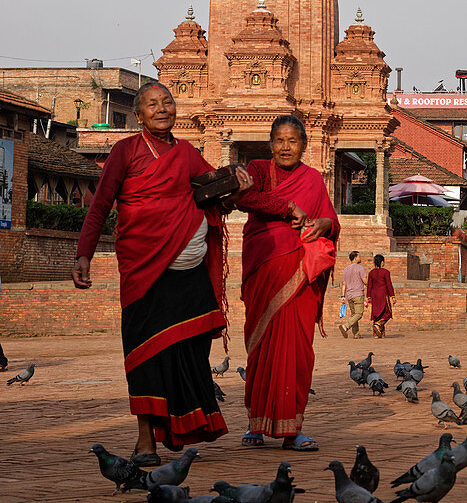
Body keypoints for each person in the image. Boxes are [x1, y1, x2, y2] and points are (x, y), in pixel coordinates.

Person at [72, 82, 251, 465]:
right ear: (139, 115)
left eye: (167, 101)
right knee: (145, 355)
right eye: (152, 104)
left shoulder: (186, 152)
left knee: (191, 351)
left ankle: (184, 425)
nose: (162, 108)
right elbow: (101, 203)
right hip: (144, 269)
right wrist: (84, 253)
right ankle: (145, 441)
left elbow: (215, 196)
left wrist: (237, 189)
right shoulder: (126, 151)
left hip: (190, 273)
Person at [236, 115, 339, 451]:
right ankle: (256, 422)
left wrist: (324, 223)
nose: (285, 147)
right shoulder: (259, 169)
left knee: (297, 350)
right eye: (279, 140)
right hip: (263, 266)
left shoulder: (313, 179)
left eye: (292, 141)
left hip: (299, 273)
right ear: (270, 144)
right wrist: (285, 207)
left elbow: (329, 218)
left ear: (304, 145)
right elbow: (244, 197)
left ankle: (292, 427)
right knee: (261, 344)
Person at [366, 254, 397, 337]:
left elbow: (369, 285)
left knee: (377, 314)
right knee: (387, 313)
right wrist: (392, 296)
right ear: (382, 262)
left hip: (374, 295)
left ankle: (377, 334)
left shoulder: (371, 273)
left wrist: (368, 297)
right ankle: (378, 325)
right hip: (383, 294)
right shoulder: (385, 272)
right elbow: (388, 284)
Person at [339, 251, 367, 338]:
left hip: (349, 295)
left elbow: (344, 284)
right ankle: (346, 326)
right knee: (359, 314)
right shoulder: (360, 268)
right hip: (358, 293)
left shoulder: (346, 269)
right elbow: (365, 281)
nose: (360, 258)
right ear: (355, 258)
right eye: (359, 256)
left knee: (354, 314)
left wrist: (343, 296)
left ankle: (356, 334)